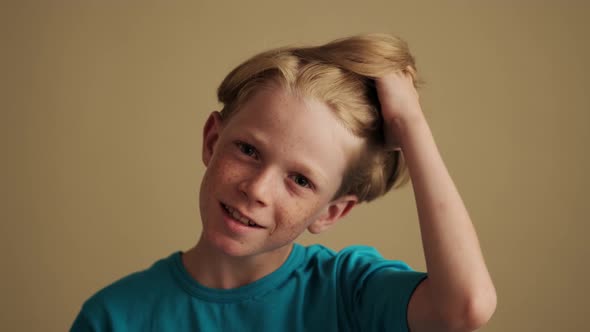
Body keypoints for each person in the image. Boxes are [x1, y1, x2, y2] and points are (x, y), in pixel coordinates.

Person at [70, 33, 496, 332]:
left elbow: (466, 307)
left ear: (332, 211)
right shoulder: (114, 316)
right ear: (212, 140)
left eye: (299, 180)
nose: (256, 190)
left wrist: (410, 124)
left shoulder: (347, 292)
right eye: (248, 151)